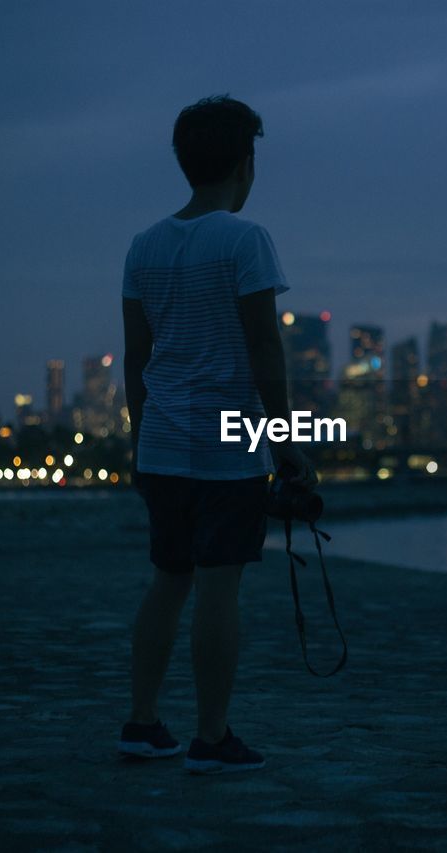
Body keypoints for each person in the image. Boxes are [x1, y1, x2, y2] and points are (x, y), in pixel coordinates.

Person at [117, 95, 316, 775]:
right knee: (218, 589)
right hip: (228, 448)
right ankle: (211, 734)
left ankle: (141, 722)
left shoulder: (143, 246)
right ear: (244, 163)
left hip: (164, 445)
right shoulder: (244, 238)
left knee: (167, 580)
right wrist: (287, 446)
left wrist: (140, 443)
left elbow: (135, 360)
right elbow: (266, 349)